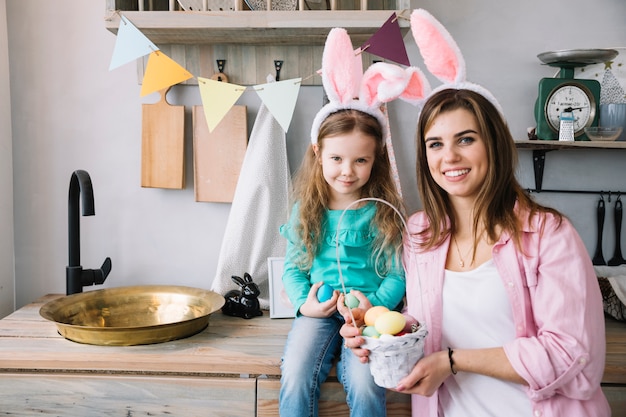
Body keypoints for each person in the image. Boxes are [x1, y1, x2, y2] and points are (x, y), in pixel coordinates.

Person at [340, 87, 611, 417]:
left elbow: (570, 354)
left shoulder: (549, 235)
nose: (449, 156)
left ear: (493, 144)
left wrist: (452, 361)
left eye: (465, 139)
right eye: (435, 144)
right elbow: (431, 325)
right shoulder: (420, 234)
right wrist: (384, 328)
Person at [277, 106, 408, 417]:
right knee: (295, 373)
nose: (347, 170)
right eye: (336, 158)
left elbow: (398, 274)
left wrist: (372, 308)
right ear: (318, 153)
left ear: (375, 161)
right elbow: (293, 269)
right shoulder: (307, 209)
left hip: (368, 316)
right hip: (317, 314)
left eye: (360, 160)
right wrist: (304, 305)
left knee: (366, 385)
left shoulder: (383, 212)